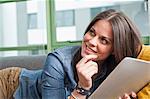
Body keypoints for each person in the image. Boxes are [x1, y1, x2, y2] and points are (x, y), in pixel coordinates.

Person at [0, 9, 149, 99]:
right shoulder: (57, 61)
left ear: (115, 49)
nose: (91, 41)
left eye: (103, 40)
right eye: (92, 32)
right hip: (11, 85)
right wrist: (82, 88)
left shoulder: (116, 70)